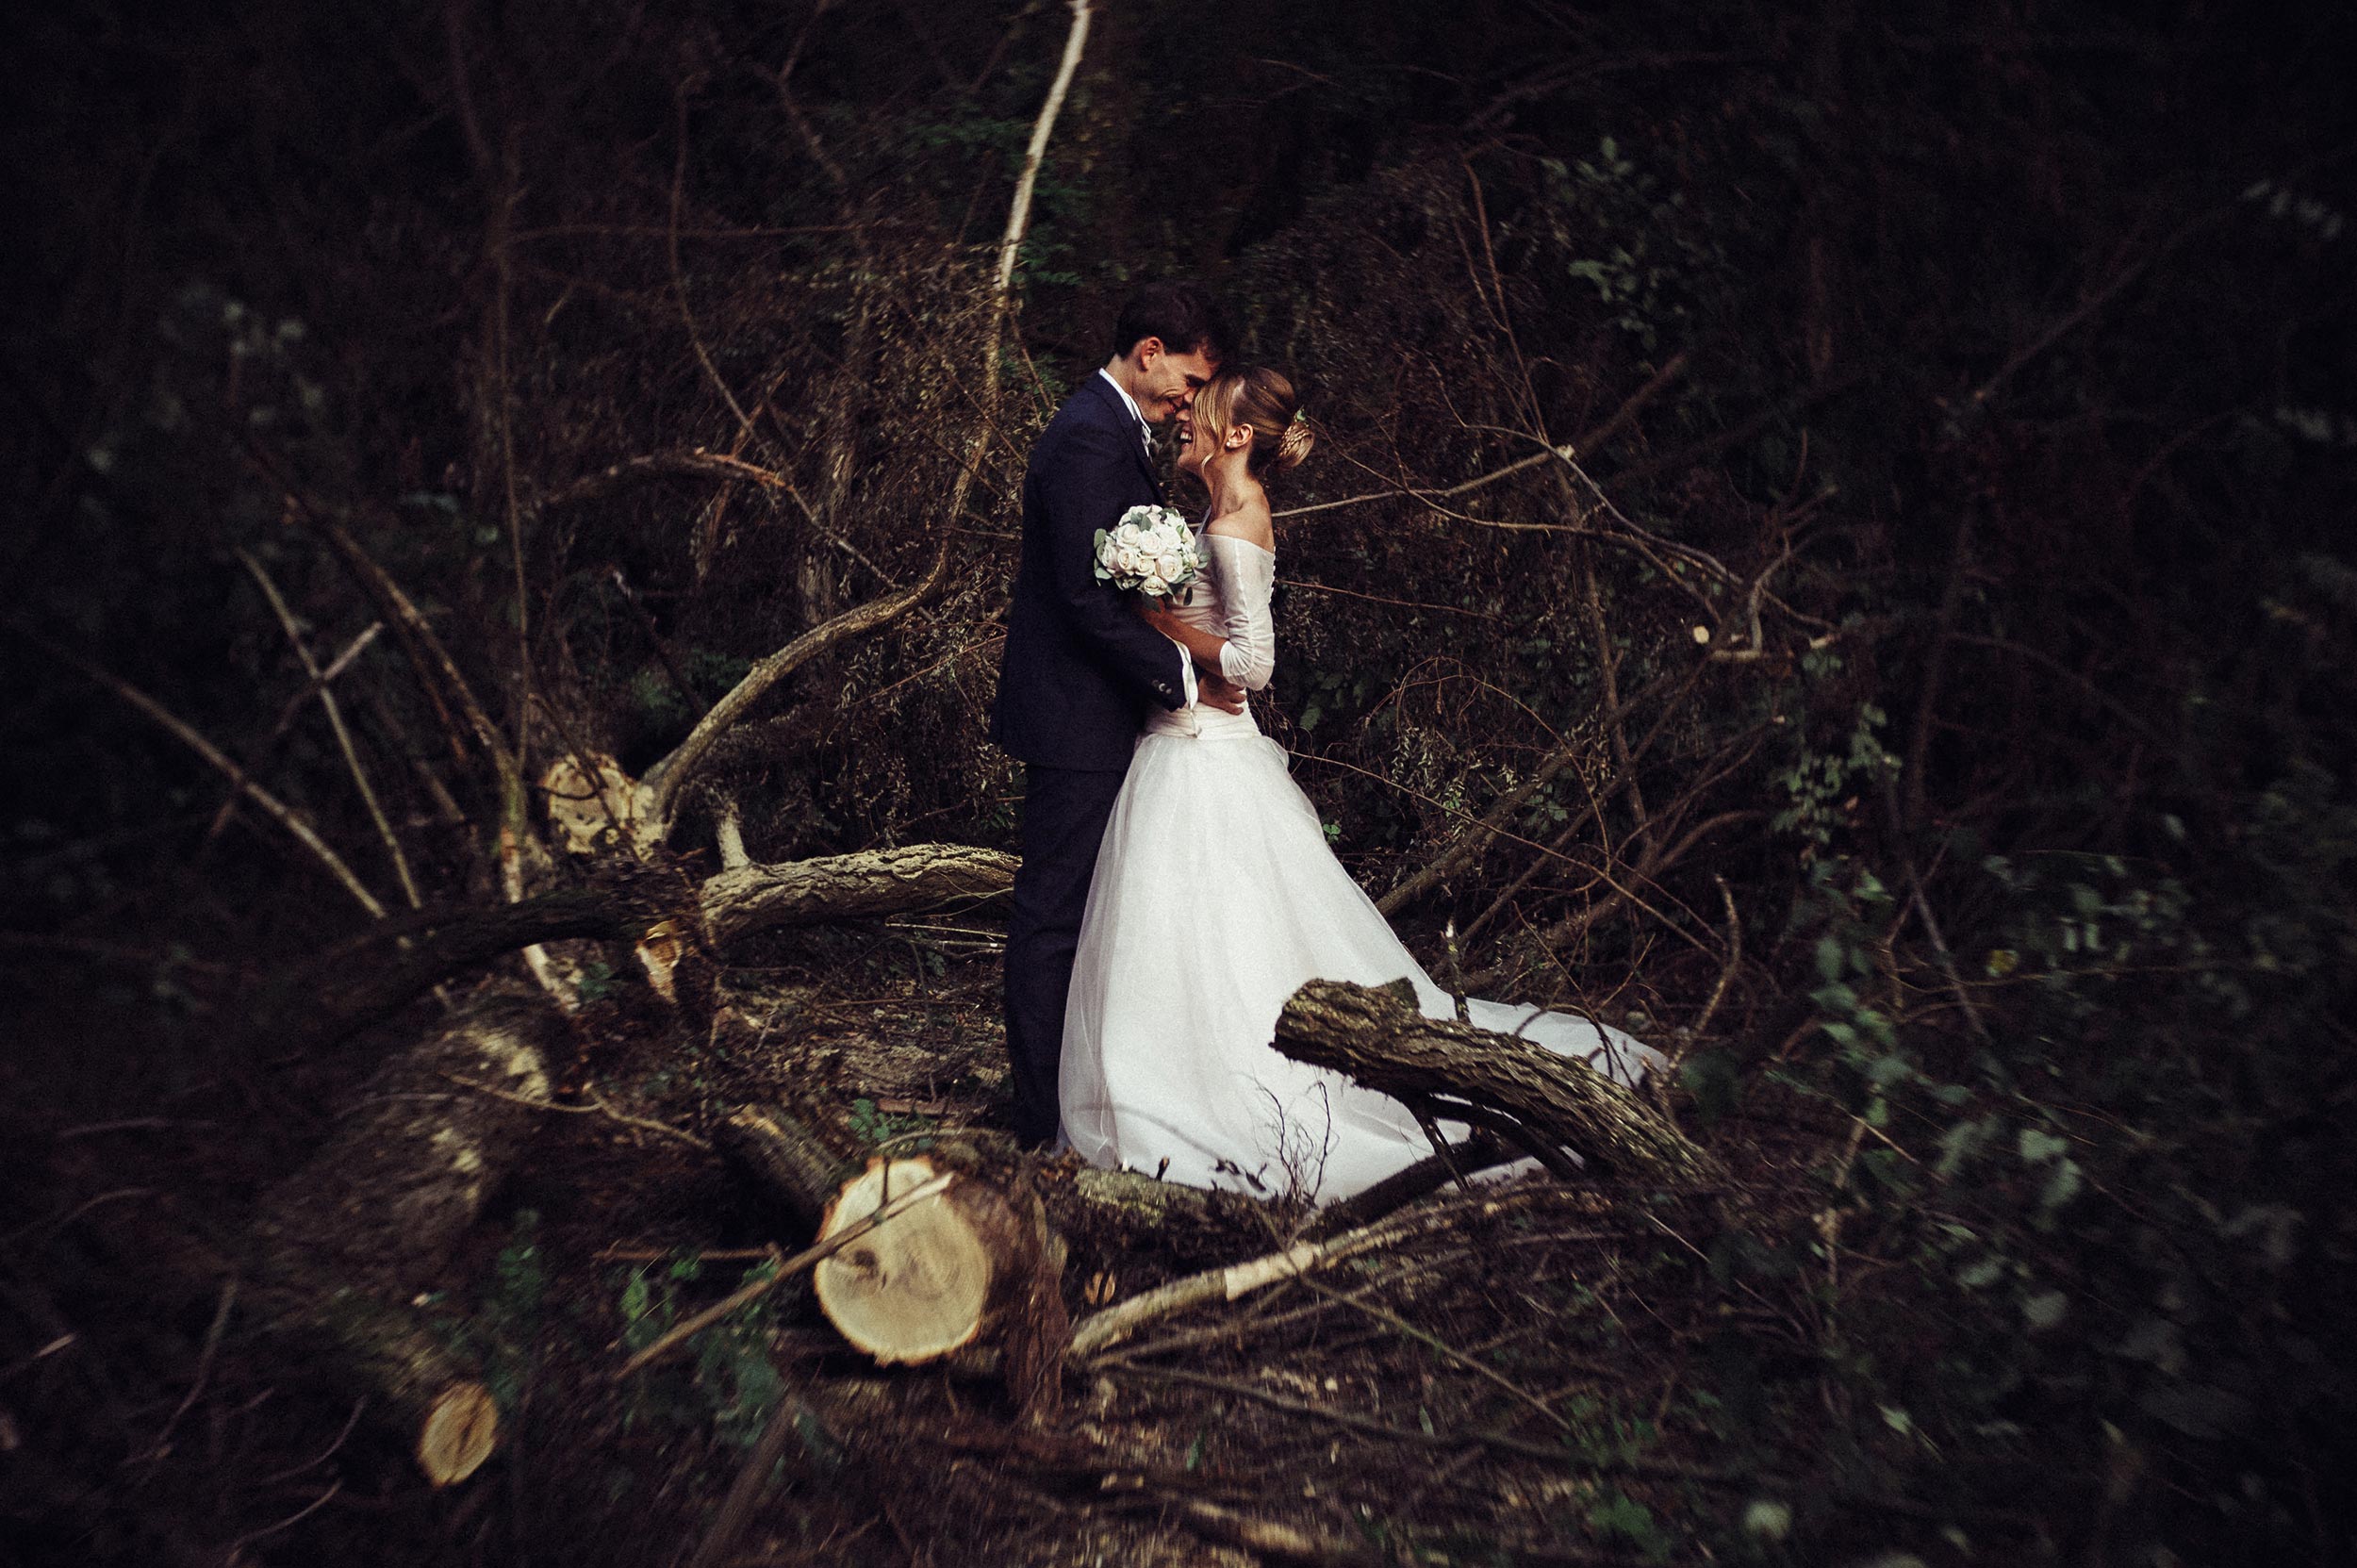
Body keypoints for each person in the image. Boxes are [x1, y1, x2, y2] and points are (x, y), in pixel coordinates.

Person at [1057, 366, 1661, 1201]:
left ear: (1236, 436)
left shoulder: (1239, 523)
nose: (1186, 422)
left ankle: (1208, 1095)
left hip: (1205, 750)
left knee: (1212, 936)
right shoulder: (1210, 511)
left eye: (1199, 413)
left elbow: (1256, 665)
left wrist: (1163, 629)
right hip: (1178, 745)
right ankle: (1154, 1092)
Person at [991, 281, 1244, 1149]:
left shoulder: (1111, 432)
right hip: (1073, 719)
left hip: (1093, 714)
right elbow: (1082, 598)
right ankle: (1039, 1125)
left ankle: (1068, 1102)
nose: (1187, 401)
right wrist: (1180, 673)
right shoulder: (1089, 438)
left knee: (1081, 914)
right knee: (1053, 917)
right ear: (1148, 350)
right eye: (1184, 379)